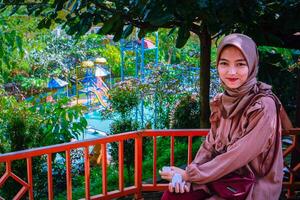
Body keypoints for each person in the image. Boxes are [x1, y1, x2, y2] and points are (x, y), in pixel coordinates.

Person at [159, 33, 293, 200]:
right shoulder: (222, 101)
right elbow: (209, 146)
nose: (231, 71)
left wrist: (192, 175)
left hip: (250, 185)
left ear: (252, 66)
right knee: (172, 196)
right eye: (224, 63)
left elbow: (238, 155)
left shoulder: (263, 105)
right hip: (220, 178)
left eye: (240, 64)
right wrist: (189, 174)